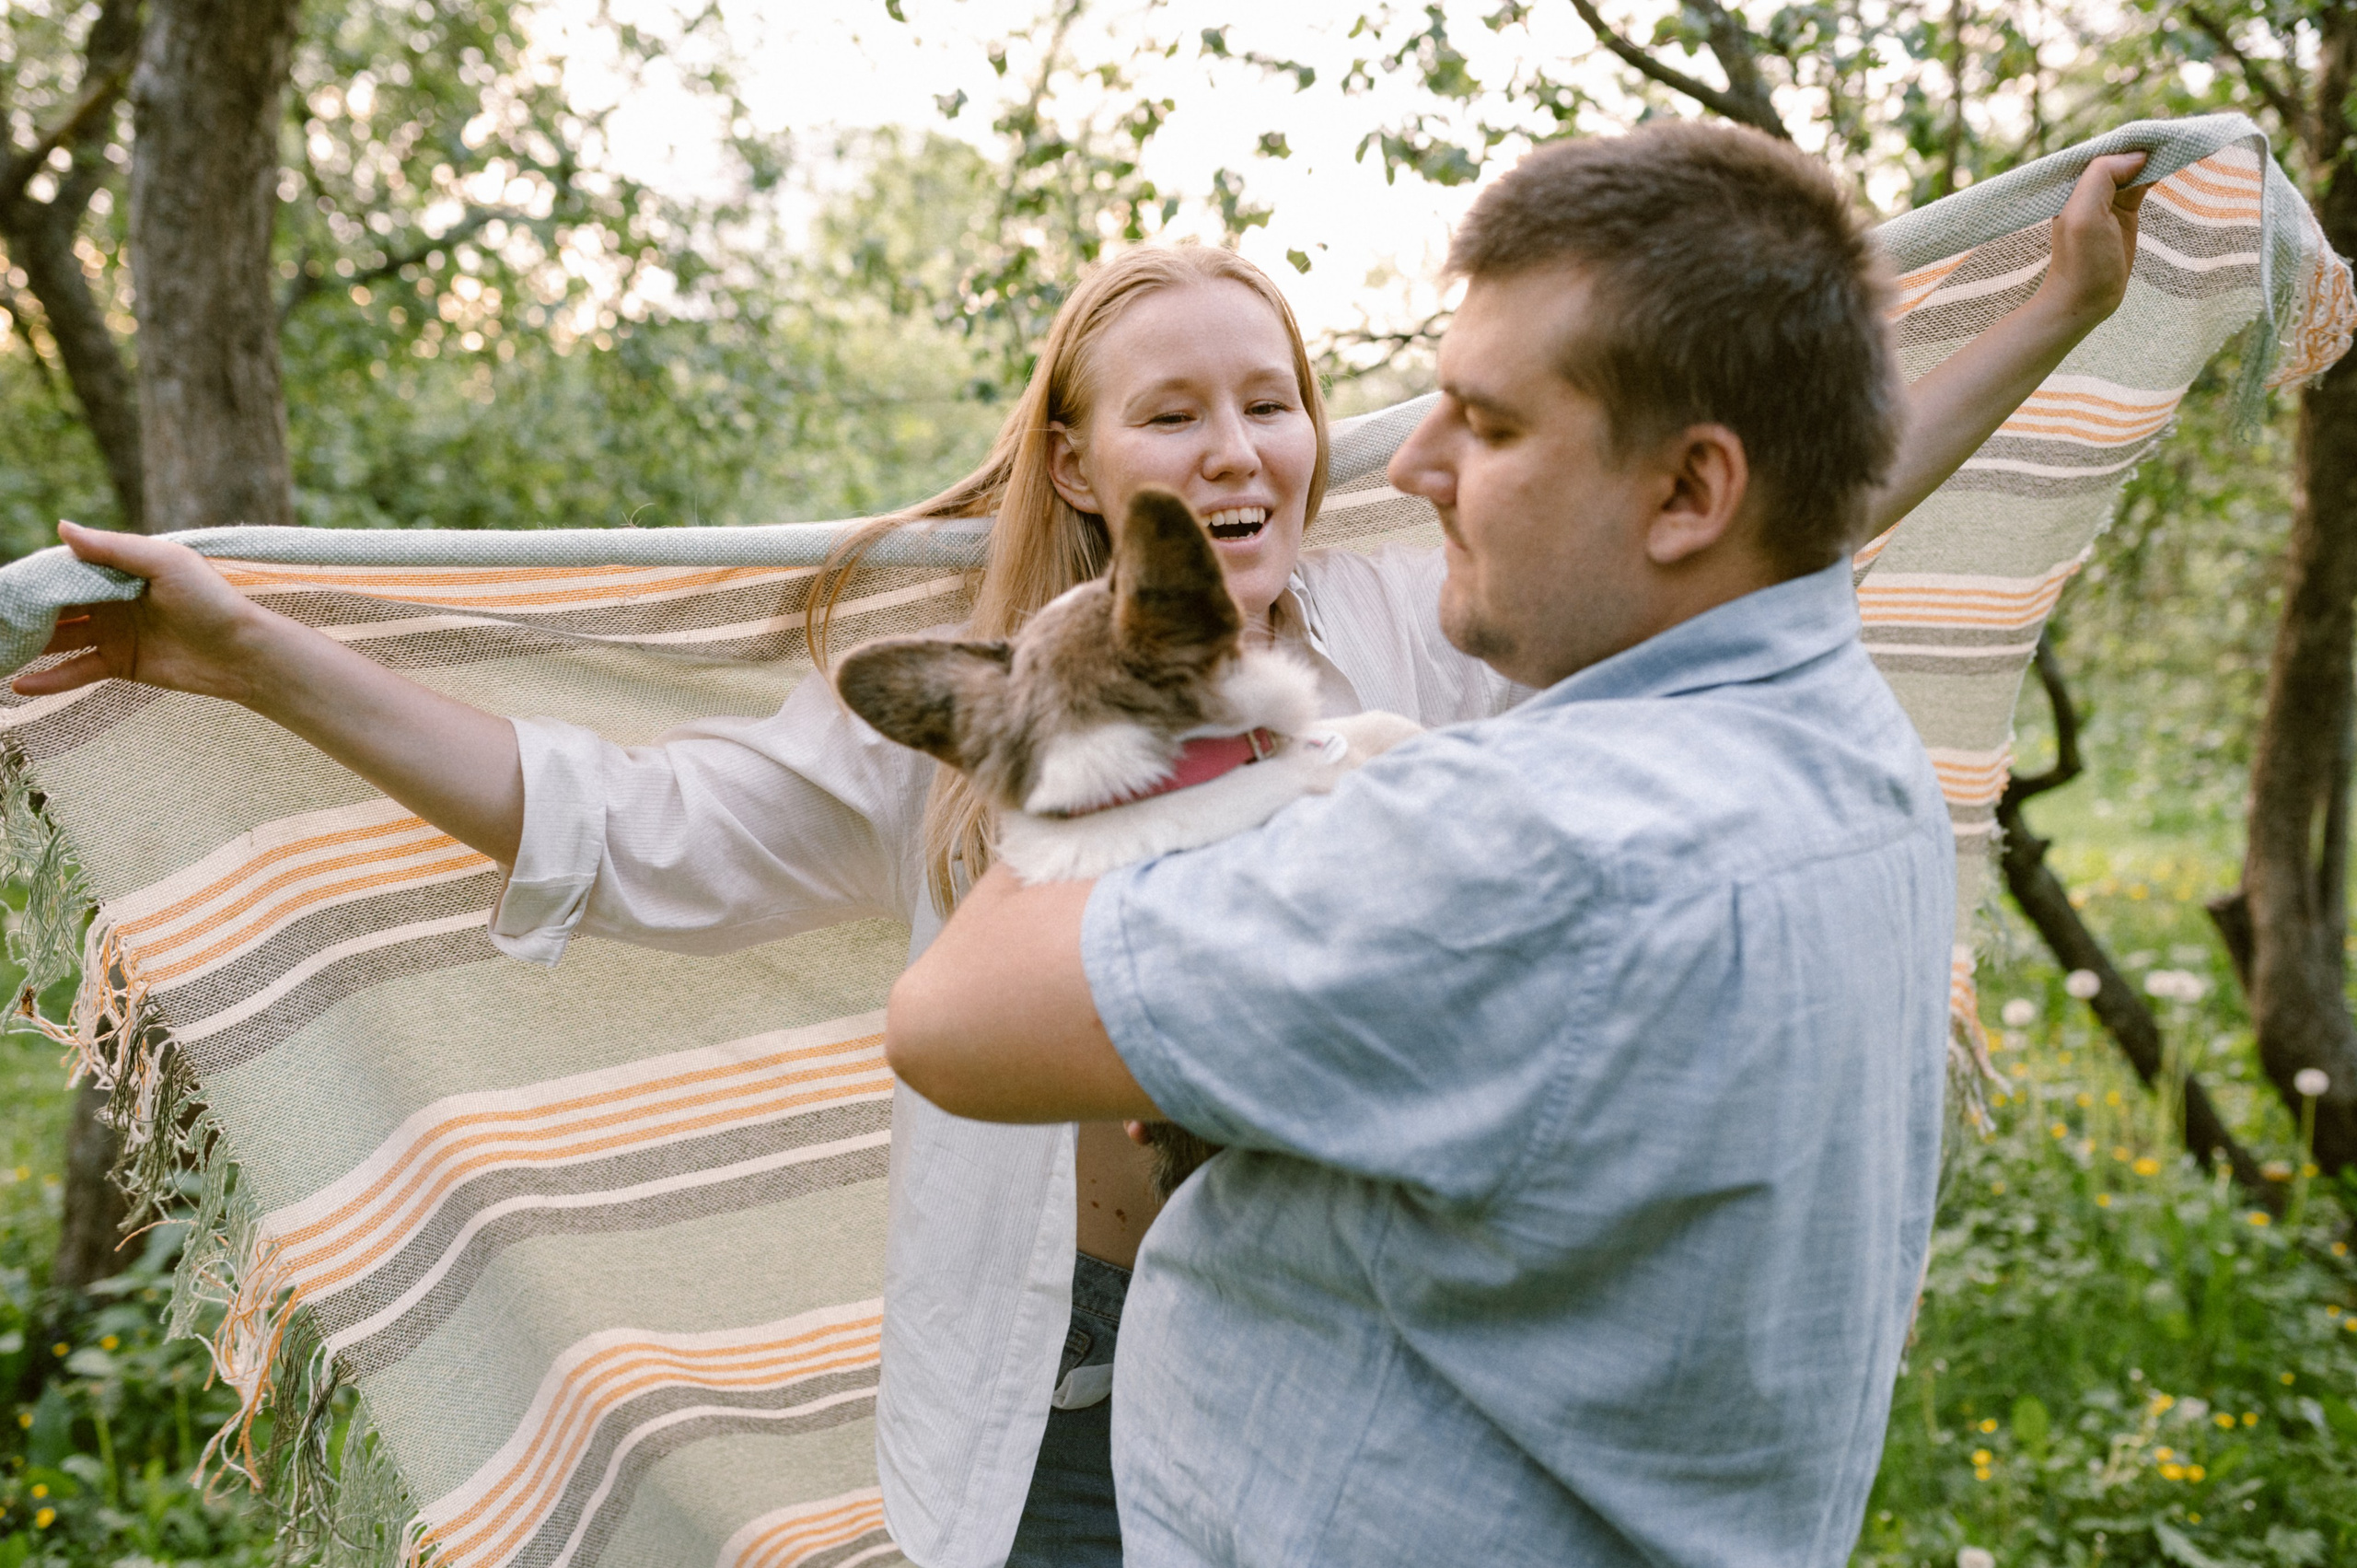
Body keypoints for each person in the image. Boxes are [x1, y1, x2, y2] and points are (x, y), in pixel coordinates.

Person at [16, 135, 2145, 1567]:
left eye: (1275, 397)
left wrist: (2036, 321)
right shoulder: (959, 722)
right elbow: (607, 824)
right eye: (1173, 412)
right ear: (1076, 457)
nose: (1240, 447)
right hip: (1058, 1376)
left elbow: (1764, 543)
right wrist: (264, 659)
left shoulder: (1444, 635)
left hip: (1356, 1401)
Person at [882, 122, 2149, 1568]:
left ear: (1688, 495)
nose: (1409, 464)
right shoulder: (1844, 750)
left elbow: (951, 1023)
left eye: (1483, 424)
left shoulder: (1507, 846)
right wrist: (2058, 311)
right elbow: (1790, 527)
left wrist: (1068, 700)